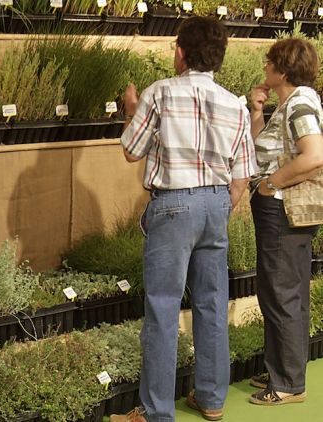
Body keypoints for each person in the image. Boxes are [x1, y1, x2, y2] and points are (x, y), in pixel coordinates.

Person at [110, 17, 257, 422]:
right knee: (211, 304)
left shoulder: (160, 93)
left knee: (162, 308)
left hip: (173, 204)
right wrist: (221, 205)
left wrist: (130, 110)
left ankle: (156, 412)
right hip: (216, 203)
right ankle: (211, 399)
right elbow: (242, 174)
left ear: (180, 52)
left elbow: (130, 151)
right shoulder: (235, 104)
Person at [246, 38, 323, 406]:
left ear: (284, 70)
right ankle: (283, 368)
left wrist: (271, 184)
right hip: (280, 209)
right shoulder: (289, 104)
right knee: (281, 289)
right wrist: (256, 111)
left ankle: (289, 384)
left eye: (270, 61)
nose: (265, 66)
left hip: (283, 209)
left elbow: (314, 156)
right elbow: (265, 151)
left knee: (282, 292)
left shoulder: (301, 103)